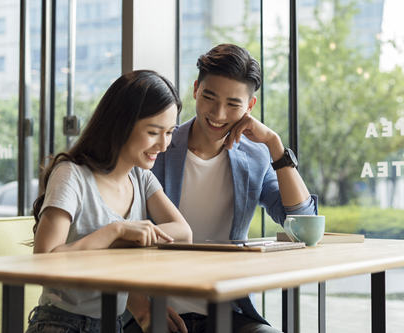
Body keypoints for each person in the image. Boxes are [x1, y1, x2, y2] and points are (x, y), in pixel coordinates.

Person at [125, 44, 318, 332]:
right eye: (209, 97)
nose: (217, 113)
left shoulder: (255, 155)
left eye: (233, 104)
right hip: (156, 308)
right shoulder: (157, 148)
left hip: (230, 311)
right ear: (195, 90)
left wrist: (275, 146)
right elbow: (115, 229)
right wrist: (142, 309)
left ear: (250, 107)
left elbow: (303, 224)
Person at [26, 70, 193, 333]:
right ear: (121, 124)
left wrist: (143, 309)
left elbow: (183, 232)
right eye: (153, 132)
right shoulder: (71, 175)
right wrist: (116, 230)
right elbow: (44, 260)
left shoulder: (140, 178)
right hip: (61, 323)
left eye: (170, 132)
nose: (163, 145)